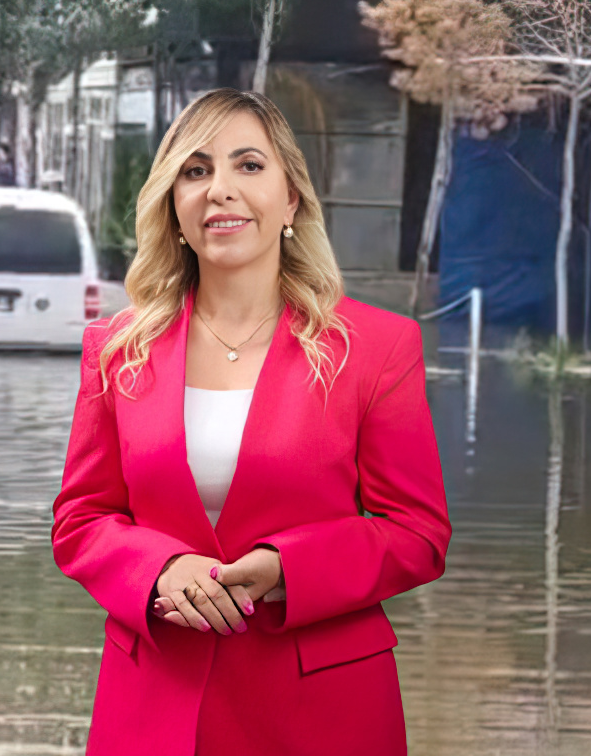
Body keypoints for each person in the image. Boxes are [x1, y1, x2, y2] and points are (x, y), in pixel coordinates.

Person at [52, 89, 449, 756]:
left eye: (250, 166)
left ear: (291, 198)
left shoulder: (379, 350)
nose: (221, 191)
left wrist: (285, 567)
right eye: (197, 170)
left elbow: (417, 533)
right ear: (172, 205)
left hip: (323, 713)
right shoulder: (117, 350)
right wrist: (159, 571)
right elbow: (81, 521)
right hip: (152, 707)